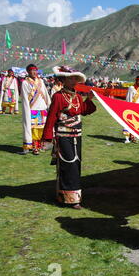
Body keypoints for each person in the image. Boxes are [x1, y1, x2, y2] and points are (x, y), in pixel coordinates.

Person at [42, 66, 96, 210]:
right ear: (64, 80)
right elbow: (52, 117)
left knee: (76, 164)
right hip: (63, 135)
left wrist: (89, 100)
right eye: (70, 78)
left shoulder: (78, 96)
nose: (73, 81)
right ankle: (66, 198)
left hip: (76, 136)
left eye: (75, 79)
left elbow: (83, 110)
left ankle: (74, 197)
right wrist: (47, 138)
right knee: (67, 165)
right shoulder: (58, 97)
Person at [20, 64, 52, 155]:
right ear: (28, 72)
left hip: (42, 108)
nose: (34, 72)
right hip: (32, 109)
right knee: (34, 129)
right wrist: (26, 110)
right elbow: (25, 98)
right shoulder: (25, 83)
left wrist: (49, 105)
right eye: (32, 70)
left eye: (35, 70)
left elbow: (45, 94)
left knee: (42, 128)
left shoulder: (41, 81)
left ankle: (40, 145)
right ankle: (34, 147)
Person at [124, 76, 139, 144]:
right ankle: (127, 138)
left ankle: (134, 137)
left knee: (136, 124)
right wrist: (128, 107)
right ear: (136, 81)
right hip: (131, 108)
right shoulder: (131, 88)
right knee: (128, 123)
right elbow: (128, 98)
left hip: (138, 108)